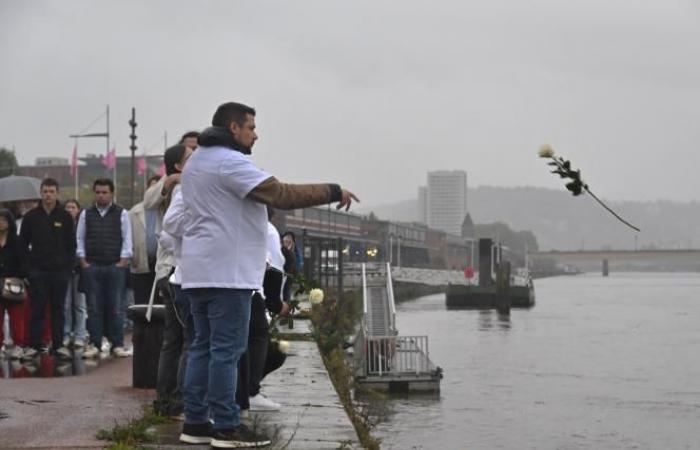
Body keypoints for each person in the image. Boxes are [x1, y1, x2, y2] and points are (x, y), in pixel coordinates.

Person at [178, 101, 358, 448]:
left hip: (197, 272)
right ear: (234, 128)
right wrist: (333, 190)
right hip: (228, 274)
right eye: (251, 127)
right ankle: (226, 427)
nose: (256, 134)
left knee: (202, 347)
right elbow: (282, 194)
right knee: (226, 351)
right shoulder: (229, 163)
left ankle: (196, 422)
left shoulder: (196, 162)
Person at [153, 144, 195, 417]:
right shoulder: (181, 190)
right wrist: (188, 244)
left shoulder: (177, 188)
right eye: (191, 157)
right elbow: (167, 232)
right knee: (185, 341)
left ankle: (166, 397)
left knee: (175, 340)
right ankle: (177, 397)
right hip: (176, 272)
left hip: (173, 271)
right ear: (179, 166)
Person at [237, 216, 290, 414]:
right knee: (258, 339)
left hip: (229, 287)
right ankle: (250, 391)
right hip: (252, 290)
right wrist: (276, 304)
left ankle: (238, 394)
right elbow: (274, 268)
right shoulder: (266, 228)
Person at [19, 178, 75, 358]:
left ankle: (58, 345)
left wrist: (68, 268)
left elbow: (71, 245)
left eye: (51, 191)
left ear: (57, 193)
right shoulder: (31, 217)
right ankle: (35, 345)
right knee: (37, 309)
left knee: (58, 310)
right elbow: (23, 245)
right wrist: (28, 271)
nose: (48, 195)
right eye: (45, 191)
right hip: (38, 272)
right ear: (40, 193)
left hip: (60, 272)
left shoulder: (65, 216)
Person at [77, 179, 132, 359]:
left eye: (104, 192)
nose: (101, 195)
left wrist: (124, 259)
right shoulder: (86, 214)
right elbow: (80, 238)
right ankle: (95, 343)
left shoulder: (121, 213)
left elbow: (127, 237)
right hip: (92, 266)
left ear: (112, 193)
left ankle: (117, 343)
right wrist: (83, 261)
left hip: (115, 265)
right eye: (98, 192)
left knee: (116, 306)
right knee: (93, 307)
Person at [128, 175, 162, 306]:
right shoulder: (134, 212)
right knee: (142, 303)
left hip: (162, 265)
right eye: (152, 187)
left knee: (161, 304)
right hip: (141, 264)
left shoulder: (168, 209)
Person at [0, 209, 28, 360]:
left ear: (10, 222)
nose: (1, 223)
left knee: (17, 317)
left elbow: (24, 262)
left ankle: (19, 345)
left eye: (4, 220)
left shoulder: (17, 241)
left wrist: (20, 276)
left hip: (14, 283)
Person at [62, 199, 87, 348]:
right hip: (64, 269)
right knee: (65, 305)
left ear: (78, 209)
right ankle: (66, 334)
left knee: (80, 305)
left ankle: (80, 334)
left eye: (73, 207)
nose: (70, 210)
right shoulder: (61, 225)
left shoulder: (82, 225)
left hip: (79, 269)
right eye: (67, 207)